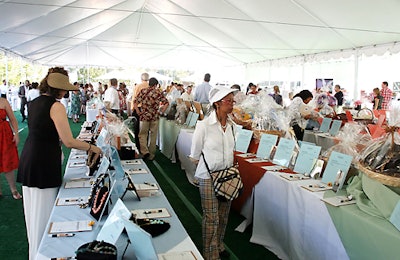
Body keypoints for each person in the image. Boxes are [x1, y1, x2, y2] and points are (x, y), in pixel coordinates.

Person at [17, 67, 102, 260]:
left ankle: (36, 253)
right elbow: (68, 141)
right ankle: (42, 255)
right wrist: (93, 148)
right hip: (42, 161)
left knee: (33, 215)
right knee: (43, 216)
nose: (66, 91)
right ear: (58, 89)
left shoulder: (35, 102)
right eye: (64, 88)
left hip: (31, 157)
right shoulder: (56, 106)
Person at [189, 86, 238, 260]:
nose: (232, 104)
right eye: (228, 101)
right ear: (217, 103)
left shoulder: (232, 126)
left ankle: (219, 244)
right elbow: (194, 155)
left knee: (223, 216)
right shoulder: (204, 126)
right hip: (208, 176)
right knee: (211, 217)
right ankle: (210, 254)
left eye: (233, 101)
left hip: (228, 176)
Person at [134, 77, 169, 161]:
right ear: (156, 85)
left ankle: (145, 151)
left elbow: (135, 102)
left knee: (142, 135)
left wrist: (138, 111)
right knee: (153, 136)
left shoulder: (143, 91)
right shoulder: (158, 92)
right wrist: (161, 111)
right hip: (154, 117)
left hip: (144, 116)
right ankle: (152, 154)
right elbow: (166, 103)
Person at [0, 96, 22, 200]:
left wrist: (16, 133)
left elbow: (12, 118)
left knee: (7, 162)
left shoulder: (3, 101)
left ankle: (13, 189)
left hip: (5, 135)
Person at [131, 73, 150, 152]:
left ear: (141, 79)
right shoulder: (150, 86)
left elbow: (134, 98)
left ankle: (138, 147)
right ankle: (145, 147)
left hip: (138, 108)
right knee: (146, 130)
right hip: (148, 109)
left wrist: (133, 109)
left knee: (137, 129)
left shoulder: (137, 86)